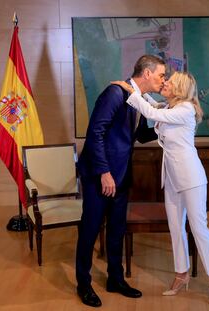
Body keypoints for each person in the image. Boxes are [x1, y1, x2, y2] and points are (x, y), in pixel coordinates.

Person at [112, 71, 209, 305]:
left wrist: (131, 92)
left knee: (198, 227)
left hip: (191, 178)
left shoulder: (186, 109)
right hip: (171, 177)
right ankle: (181, 275)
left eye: (169, 81)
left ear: (179, 88)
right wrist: (136, 90)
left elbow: (150, 112)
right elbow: (154, 105)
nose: (165, 82)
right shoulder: (171, 108)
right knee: (175, 228)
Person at [76, 55, 166, 307]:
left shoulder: (136, 99)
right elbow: (95, 133)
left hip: (122, 175)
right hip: (99, 175)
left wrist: (163, 122)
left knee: (116, 230)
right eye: (161, 74)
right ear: (146, 73)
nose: (163, 79)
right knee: (90, 230)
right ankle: (83, 283)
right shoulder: (115, 93)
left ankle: (115, 279)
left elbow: (138, 135)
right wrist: (104, 172)